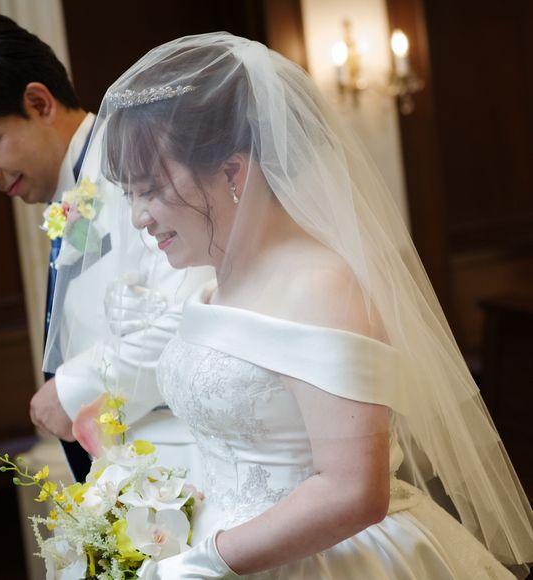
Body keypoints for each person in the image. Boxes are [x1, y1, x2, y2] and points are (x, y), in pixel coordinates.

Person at [64, 32, 533, 579]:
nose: (139, 217)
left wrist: (206, 561)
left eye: (150, 189)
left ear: (232, 172)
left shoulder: (323, 287)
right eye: (130, 194)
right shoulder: (213, 284)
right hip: (230, 546)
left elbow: (355, 490)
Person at [0, 9, 207, 485]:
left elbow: (197, 315)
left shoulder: (140, 162)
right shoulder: (72, 190)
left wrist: (72, 389)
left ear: (39, 102)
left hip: (189, 469)